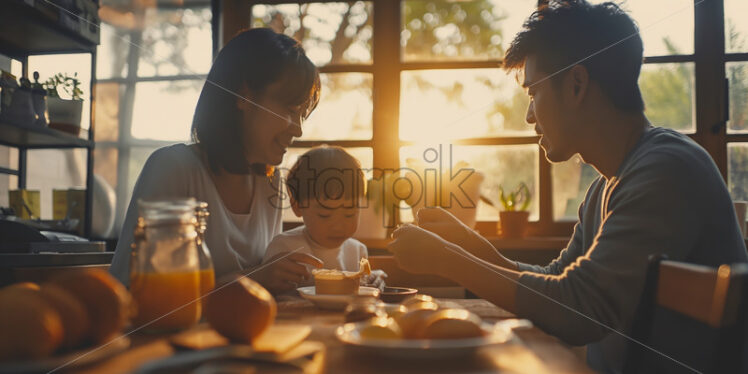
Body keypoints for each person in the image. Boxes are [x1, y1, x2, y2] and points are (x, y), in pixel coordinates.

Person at [387, 1, 748, 372]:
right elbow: (560, 282)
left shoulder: (667, 170)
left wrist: (448, 260)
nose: (529, 115)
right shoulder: (607, 186)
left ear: (576, 84)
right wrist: (472, 246)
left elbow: (578, 310)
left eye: (532, 93)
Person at [110, 28, 325, 293]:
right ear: (244, 96)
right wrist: (255, 279)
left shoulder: (271, 183)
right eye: (291, 110)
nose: (299, 130)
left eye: (304, 114)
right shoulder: (174, 169)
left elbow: (261, 291)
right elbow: (132, 291)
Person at [262, 146, 387, 293]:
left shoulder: (357, 251)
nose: (339, 226)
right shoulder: (284, 248)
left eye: (350, 213)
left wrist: (374, 280)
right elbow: (266, 298)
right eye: (325, 215)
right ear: (297, 206)